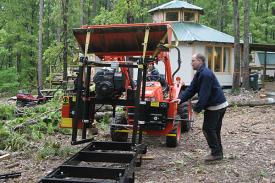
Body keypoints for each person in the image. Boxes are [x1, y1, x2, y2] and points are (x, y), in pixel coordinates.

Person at [173, 53, 228, 162]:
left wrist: (197, 109)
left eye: (193, 61)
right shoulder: (199, 73)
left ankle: (216, 153)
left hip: (216, 106)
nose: (191, 63)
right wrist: (181, 99)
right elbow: (192, 89)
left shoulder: (205, 74)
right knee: (214, 130)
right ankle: (218, 152)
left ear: (200, 61)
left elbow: (204, 94)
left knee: (208, 129)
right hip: (216, 105)